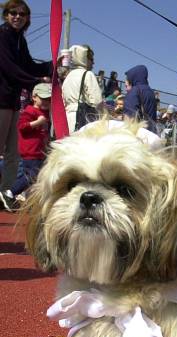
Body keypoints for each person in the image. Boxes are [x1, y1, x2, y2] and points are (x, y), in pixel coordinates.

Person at [0, 0, 51, 193]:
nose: (18, 17)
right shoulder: (3, 35)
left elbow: (29, 65)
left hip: (12, 102)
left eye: (22, 14)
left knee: (14, 153)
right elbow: (9, 68)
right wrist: (35, 83)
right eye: (13, 13)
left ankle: (5, 194)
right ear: (6, 15)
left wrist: (52, 65)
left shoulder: (20, 39)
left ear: (27, 19)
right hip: (1, 100)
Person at [0, 82, 50, 211]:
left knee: (35, 179)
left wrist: (46, 143)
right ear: (34, 97)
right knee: (32, 175)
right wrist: (37, 122)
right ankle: (10, 192)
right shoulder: (29, 111)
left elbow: (43, 134)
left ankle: (29, 202)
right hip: (30, 151)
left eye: (48, 99)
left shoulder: (43, 113)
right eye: (43, 98)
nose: (46, 102)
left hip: (38, 151)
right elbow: (22, 127)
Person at [61, 44, 103, 134]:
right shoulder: (88, 74)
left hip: (67, 119)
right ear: (84, 58)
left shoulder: (68, 76)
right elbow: (97, 101)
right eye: (91, 59)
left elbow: (63, 100)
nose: (93, 63)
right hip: (83, 120)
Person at [124, 65, 158, 133]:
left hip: (138, 133)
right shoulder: (151, 92)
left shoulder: (134, 91)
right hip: (151, 132)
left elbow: (130, 117)